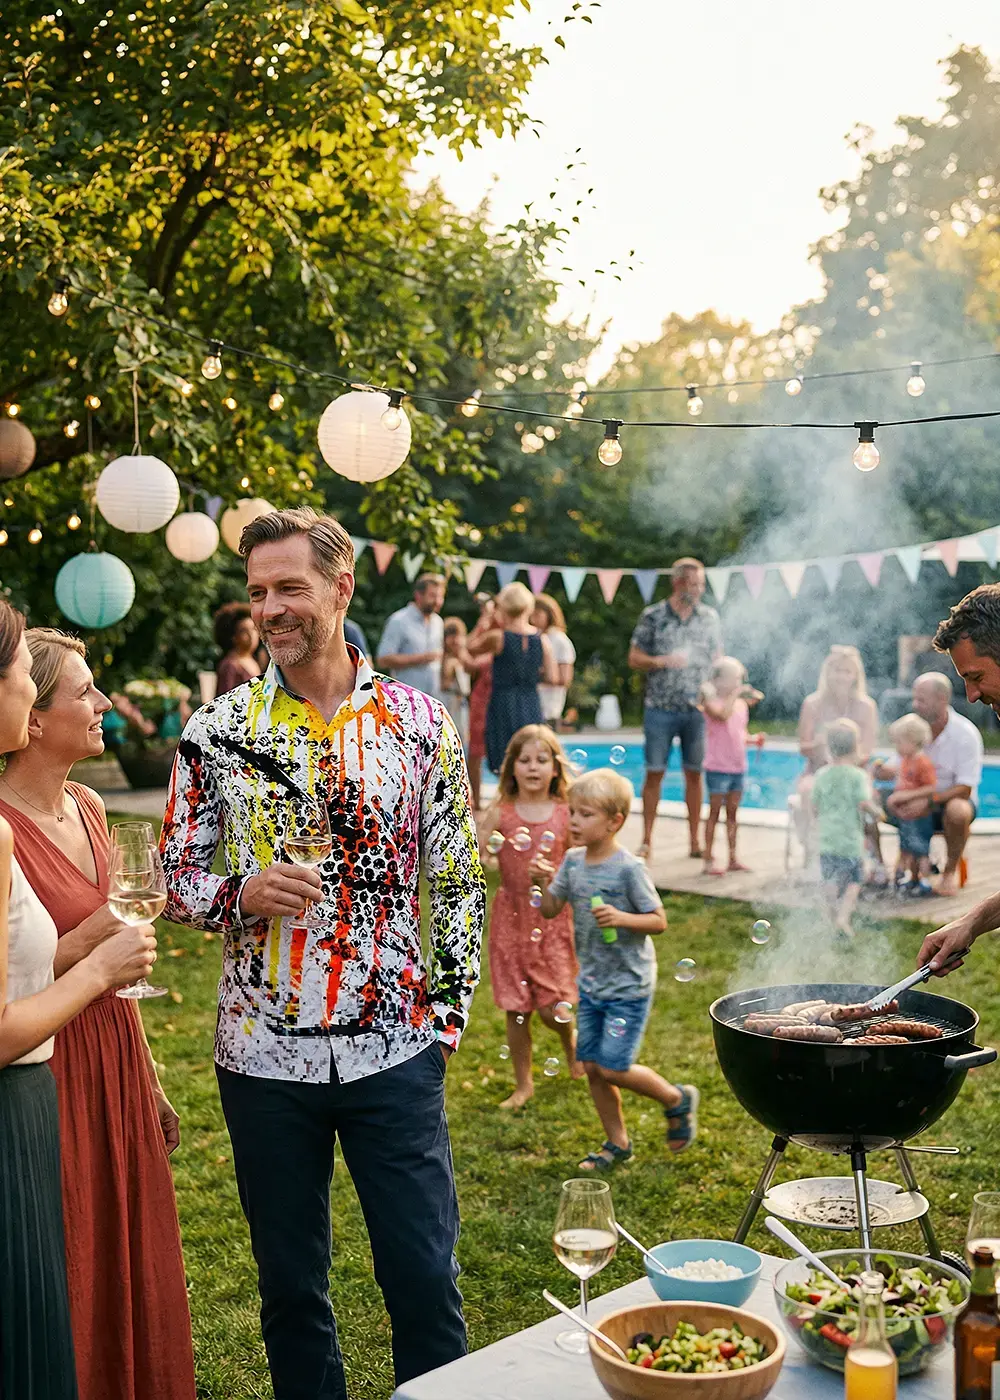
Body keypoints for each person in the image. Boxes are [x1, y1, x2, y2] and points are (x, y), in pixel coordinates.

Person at [159, 507, 485, 1400]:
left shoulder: (423, 723)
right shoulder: (217, 730)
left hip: (396, 1051)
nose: (271, 608)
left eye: (290, 587)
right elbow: (176, 876)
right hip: (262, 1059)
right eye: (258, 592)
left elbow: (457, 882)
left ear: (341, 589)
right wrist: (239, 894)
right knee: (291, 1291)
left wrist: (444, 1022)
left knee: (423, 1279)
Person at [0, 628, 196, 1400]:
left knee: (128, 1242)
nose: (105, 703)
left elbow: (121, 957)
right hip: (45, 1060)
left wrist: (148, 1080)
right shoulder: (0, 828)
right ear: (36, 720)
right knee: (69, 1245)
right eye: (84, 691)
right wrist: (85, 946)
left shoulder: (88, 805)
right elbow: (18, 976)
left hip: (111, 1046)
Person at [533, 769, 698, 1170]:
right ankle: (617, 1142)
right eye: (572, 812)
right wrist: (540, 884)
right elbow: (551, 910)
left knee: (612, 1066)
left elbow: (658, 920)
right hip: (591, 983)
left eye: (585, 814)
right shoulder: (572, 862)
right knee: (591, 1066)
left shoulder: (629, 868)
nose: (573, 821)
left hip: (628, 986)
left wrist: (623, 918)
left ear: (614, 822)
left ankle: (677, 1099)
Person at [478, 724, 580, 1110]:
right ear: (512, 768)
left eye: (542, 759)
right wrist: (485, 853)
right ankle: (524, 1084)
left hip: (552, 917)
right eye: (525, 760)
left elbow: (580, 864)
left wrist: (553, 877)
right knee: (516, 1007)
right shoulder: (501, 813)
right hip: (511, 918)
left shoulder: (565, 813)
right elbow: (478, 850)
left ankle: (569, 1046)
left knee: (554, 1006)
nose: (533, 767)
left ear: (556, 768)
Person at [628, 558, 722, 861]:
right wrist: (662, 661)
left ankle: (695, 842)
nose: (698, 590)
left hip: (697, 709)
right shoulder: (653, 616)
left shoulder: (708, 617)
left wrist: (723, 687)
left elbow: (717, 658)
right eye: (693, 584)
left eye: (701, 584)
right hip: (660, 708)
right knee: (654, 773)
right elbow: (634, 657)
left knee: (695, 775)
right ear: (677, 583)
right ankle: (646, 840)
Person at [874, 670, 983, 898]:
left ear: (942, 699)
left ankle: (948, 874)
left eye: (921, 699)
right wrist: (881, 771)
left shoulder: (965, 734)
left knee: (958, 810)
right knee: (870, 797)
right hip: (913, 801)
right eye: (915, 698)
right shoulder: (914, 729)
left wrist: (928, 801)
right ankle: (880, 868)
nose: (915, 704)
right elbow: (898, 765)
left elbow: (965, 788)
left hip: (946, 801)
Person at [794, 644, 880, 868]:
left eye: (847, 671)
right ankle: (813, 852)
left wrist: (845, 762)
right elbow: (804, 747)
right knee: (806, 792)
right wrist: (824, 745)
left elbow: (867, 751)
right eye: (837, 670)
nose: (841, 676)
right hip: (818, 771)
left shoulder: (866, 706)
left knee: (870, 797)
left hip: (855, 772)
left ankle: (873, 858)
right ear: (827, 673)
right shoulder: (812, 703)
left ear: (855, 675)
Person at [468, 581, 556, 775]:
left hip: (503, 702)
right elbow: (552, 676)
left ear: (503, 607)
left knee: (505, 759)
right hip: (531, 701)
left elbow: (469, 647)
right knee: (530, 754)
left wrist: (485, 620)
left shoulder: (498, 637)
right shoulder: (542, 639)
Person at [810, 719, 883, 937]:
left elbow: (814, 807)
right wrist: (877, 812)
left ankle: (828, 917)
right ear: (855, 747)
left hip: (826, 839)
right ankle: (843, 918)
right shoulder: (857, 775)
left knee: (829, 880)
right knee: (854, 880)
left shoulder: (821, 774)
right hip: (850, 841)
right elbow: (864, 802)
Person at [698, 656, 764, 877]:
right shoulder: (711, 704)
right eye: (732, 679)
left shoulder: (741, 706)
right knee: (715, 813)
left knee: (733, 814)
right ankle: (708, 858)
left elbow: (739, 734)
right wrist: (736, 695)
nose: (737, 684)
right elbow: (722, 717)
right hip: (717, 767)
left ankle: (733, 858)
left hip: (737, 767)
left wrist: (753, 739)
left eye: (738, 679)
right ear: (716, 681)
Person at [884, 712, 936, 896]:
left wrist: (905, 797)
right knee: (907, 848)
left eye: (899, 742)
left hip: (920, 817)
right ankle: (911, 878)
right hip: (907, 817)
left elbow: (930, 788)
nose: (896, 746)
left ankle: (925, 880)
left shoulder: (922, 762)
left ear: (913, 741)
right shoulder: (905, 761)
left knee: (920, 850)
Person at [376, 572, 446, 698]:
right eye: (433, 596)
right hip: (405, 699)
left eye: (440, 597)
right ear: (418, 595)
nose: (437, 601)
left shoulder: (438, 622)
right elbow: (383, 660)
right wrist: (421, 658)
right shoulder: (399, 620)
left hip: (433, 700)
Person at [465, 594, 495, 810]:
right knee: (475, 749)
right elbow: (469, 648)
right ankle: (475, 800)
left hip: (499, 694)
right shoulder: (485, 629)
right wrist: (482, 623)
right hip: (481, 694)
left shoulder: (504, 631)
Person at [531, 592, 576, 728]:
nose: (533, 619)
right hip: (530, 705)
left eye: (537, 614)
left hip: (549, 707)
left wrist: (536, 673)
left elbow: (564, 678)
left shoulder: (559, 640)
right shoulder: (533, 637)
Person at [214, 600, 263, 694]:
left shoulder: (252, 660)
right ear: (233, 637)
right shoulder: (230, 666)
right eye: (244, 631)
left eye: (253, 629)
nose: (251, 635)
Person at [440, 616, 472, 750]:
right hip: (450, 702)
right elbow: (445, 683)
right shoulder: (445, 659)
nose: (456, 641)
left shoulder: (464, 656)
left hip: (462, 704)